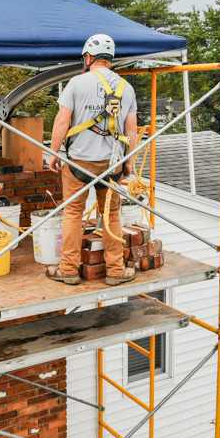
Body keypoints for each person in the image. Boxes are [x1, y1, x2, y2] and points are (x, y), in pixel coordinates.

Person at [47, 34, 137, 286]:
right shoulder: (126, 88)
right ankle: (116, 271)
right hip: (112, 164)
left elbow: (62, 121)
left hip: (79, 163)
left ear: (88, 57)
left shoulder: (76, 83)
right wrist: (128, 162)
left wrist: (54, 154)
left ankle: (68, 270)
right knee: (111, 214)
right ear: (110, 59)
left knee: (73, 214)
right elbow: (131, 130)